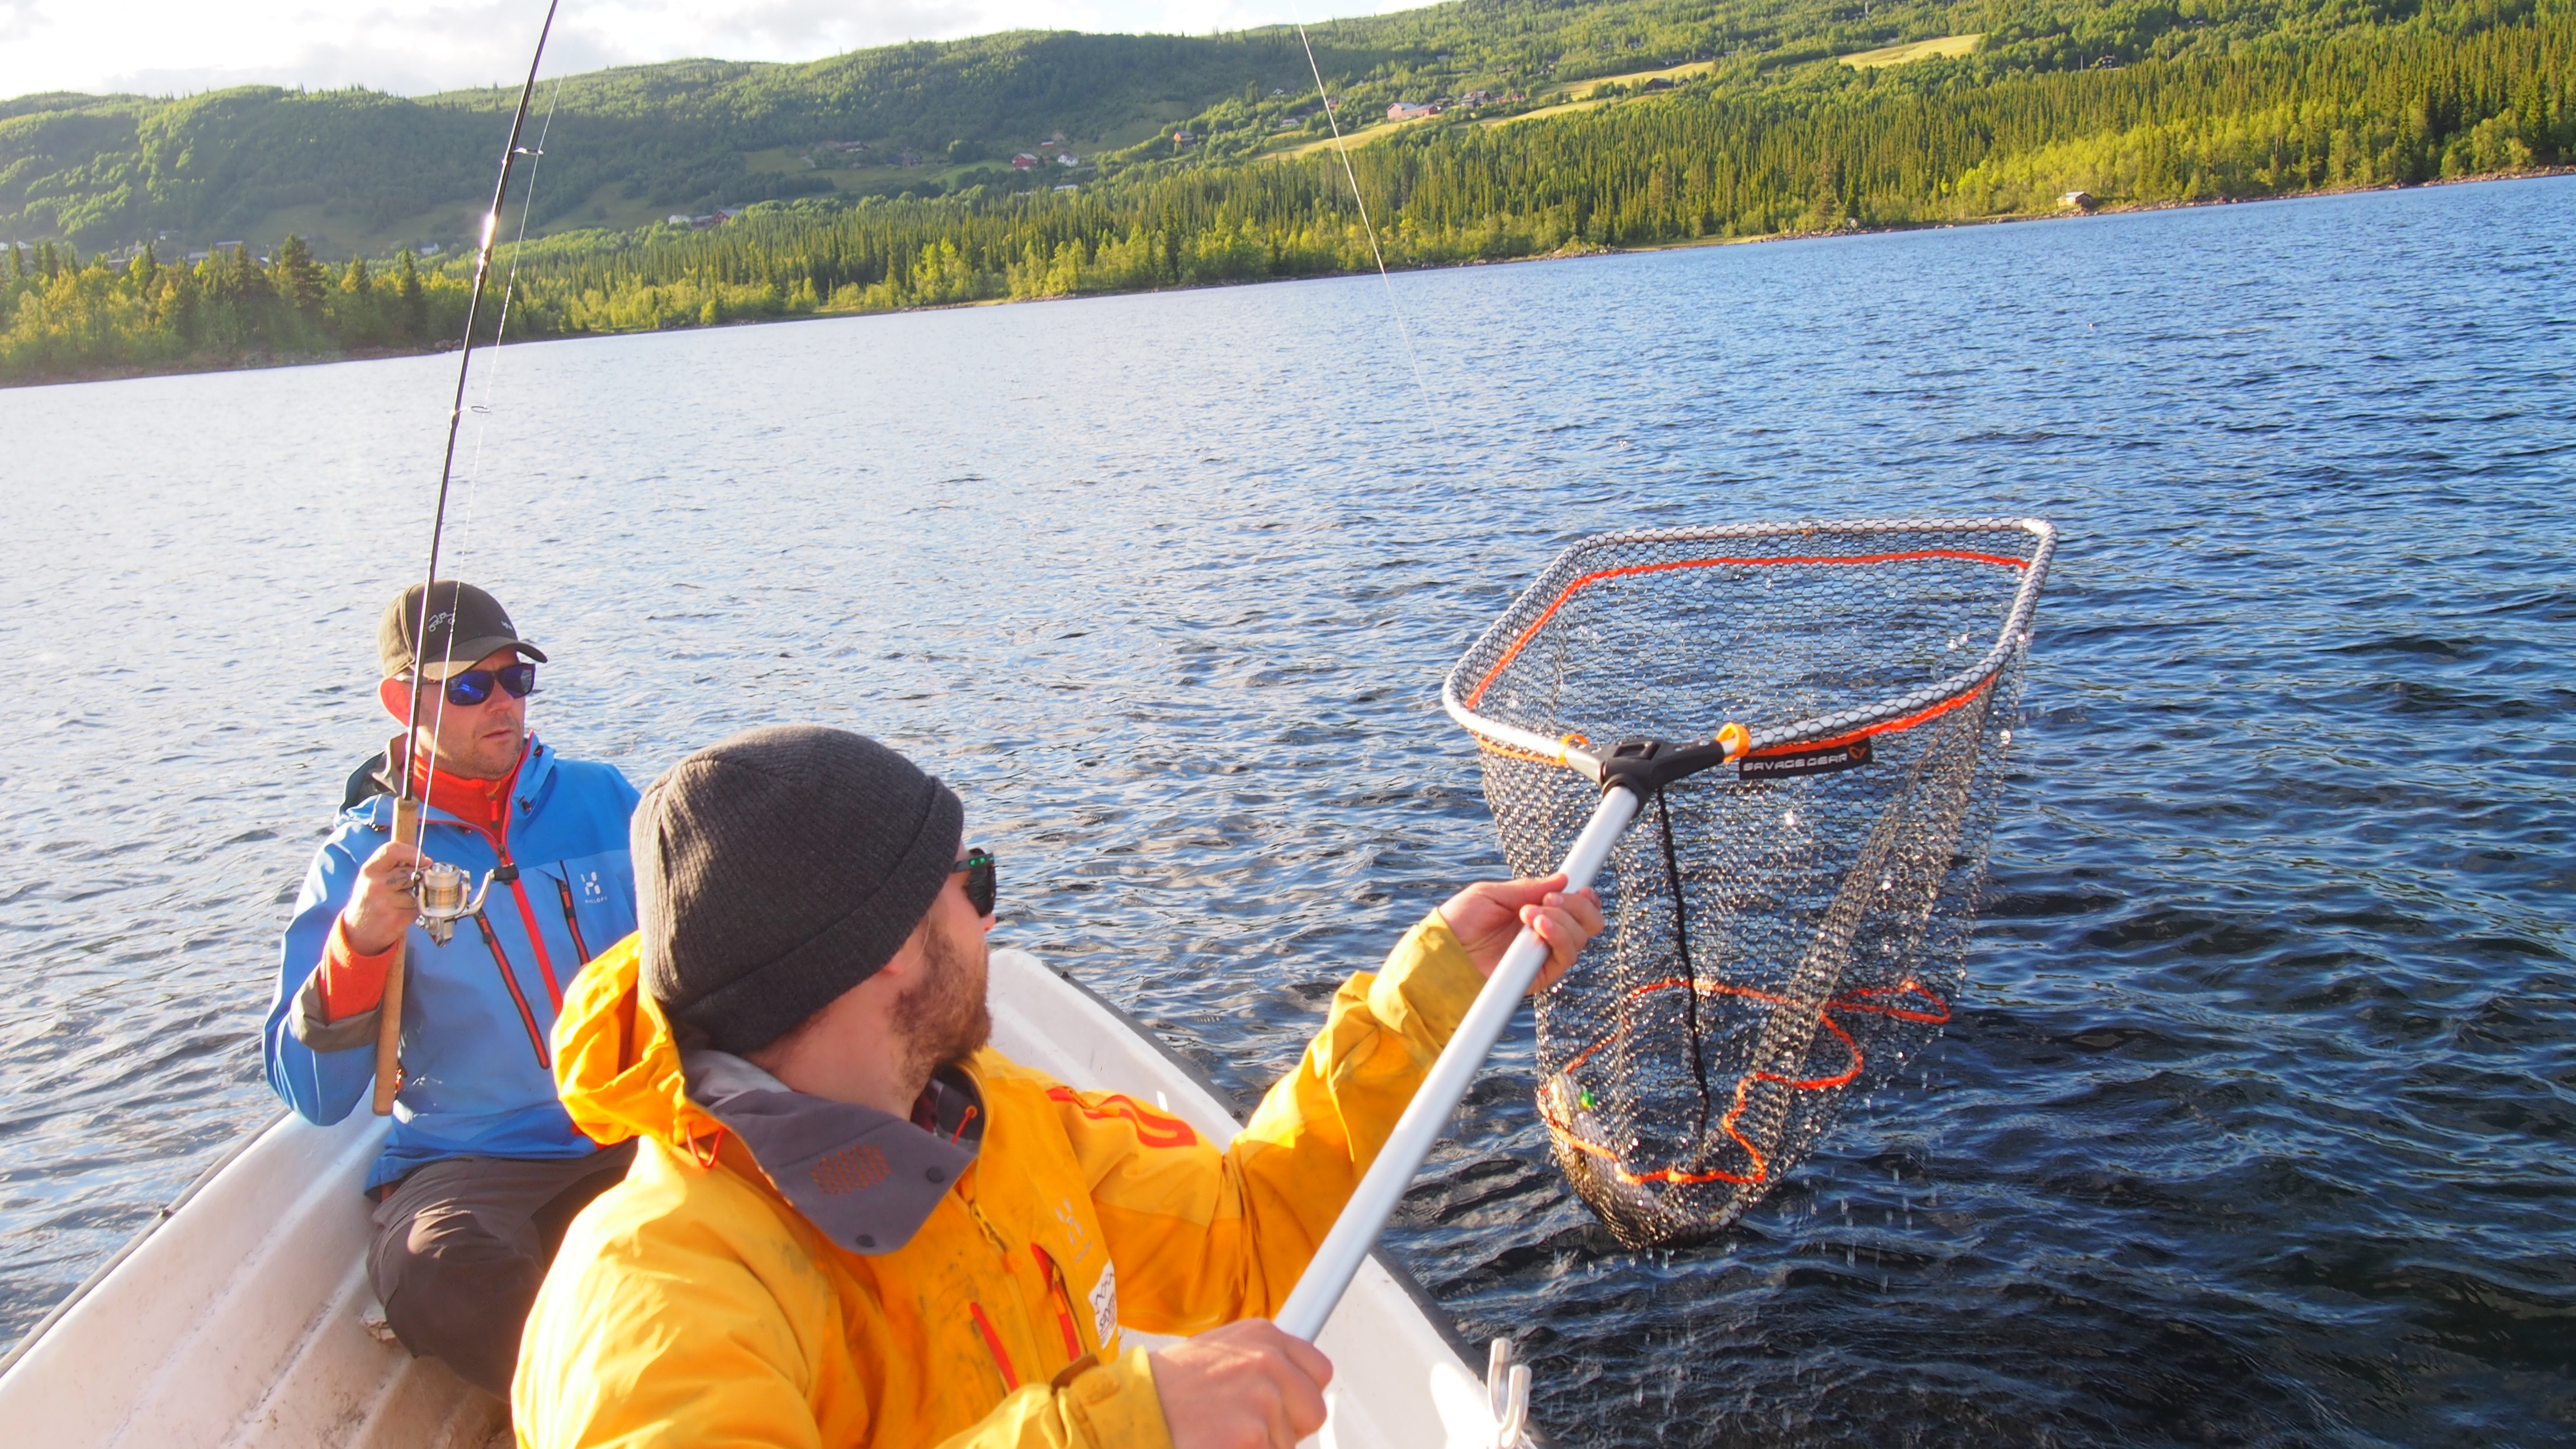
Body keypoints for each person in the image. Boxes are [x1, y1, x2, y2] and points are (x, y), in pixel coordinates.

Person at [512, 725, 1603, 1448]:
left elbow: (1248, 1235)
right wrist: (1124, 1429)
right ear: (886, 947)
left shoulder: (991, 1121)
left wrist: (1434, 997)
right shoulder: (653, 1287)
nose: (991, 916)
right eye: (969, 883)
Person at [261, 580, 643, 1397]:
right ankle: (608, 1403)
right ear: (402, 700)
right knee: (435, 1278)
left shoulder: (607, 799)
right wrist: (360, 940)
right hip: (474, 1158)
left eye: (516, 679)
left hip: (640, 1119)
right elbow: (315, 1095)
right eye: (471, 686)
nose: (502, 701)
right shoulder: (356, 858)